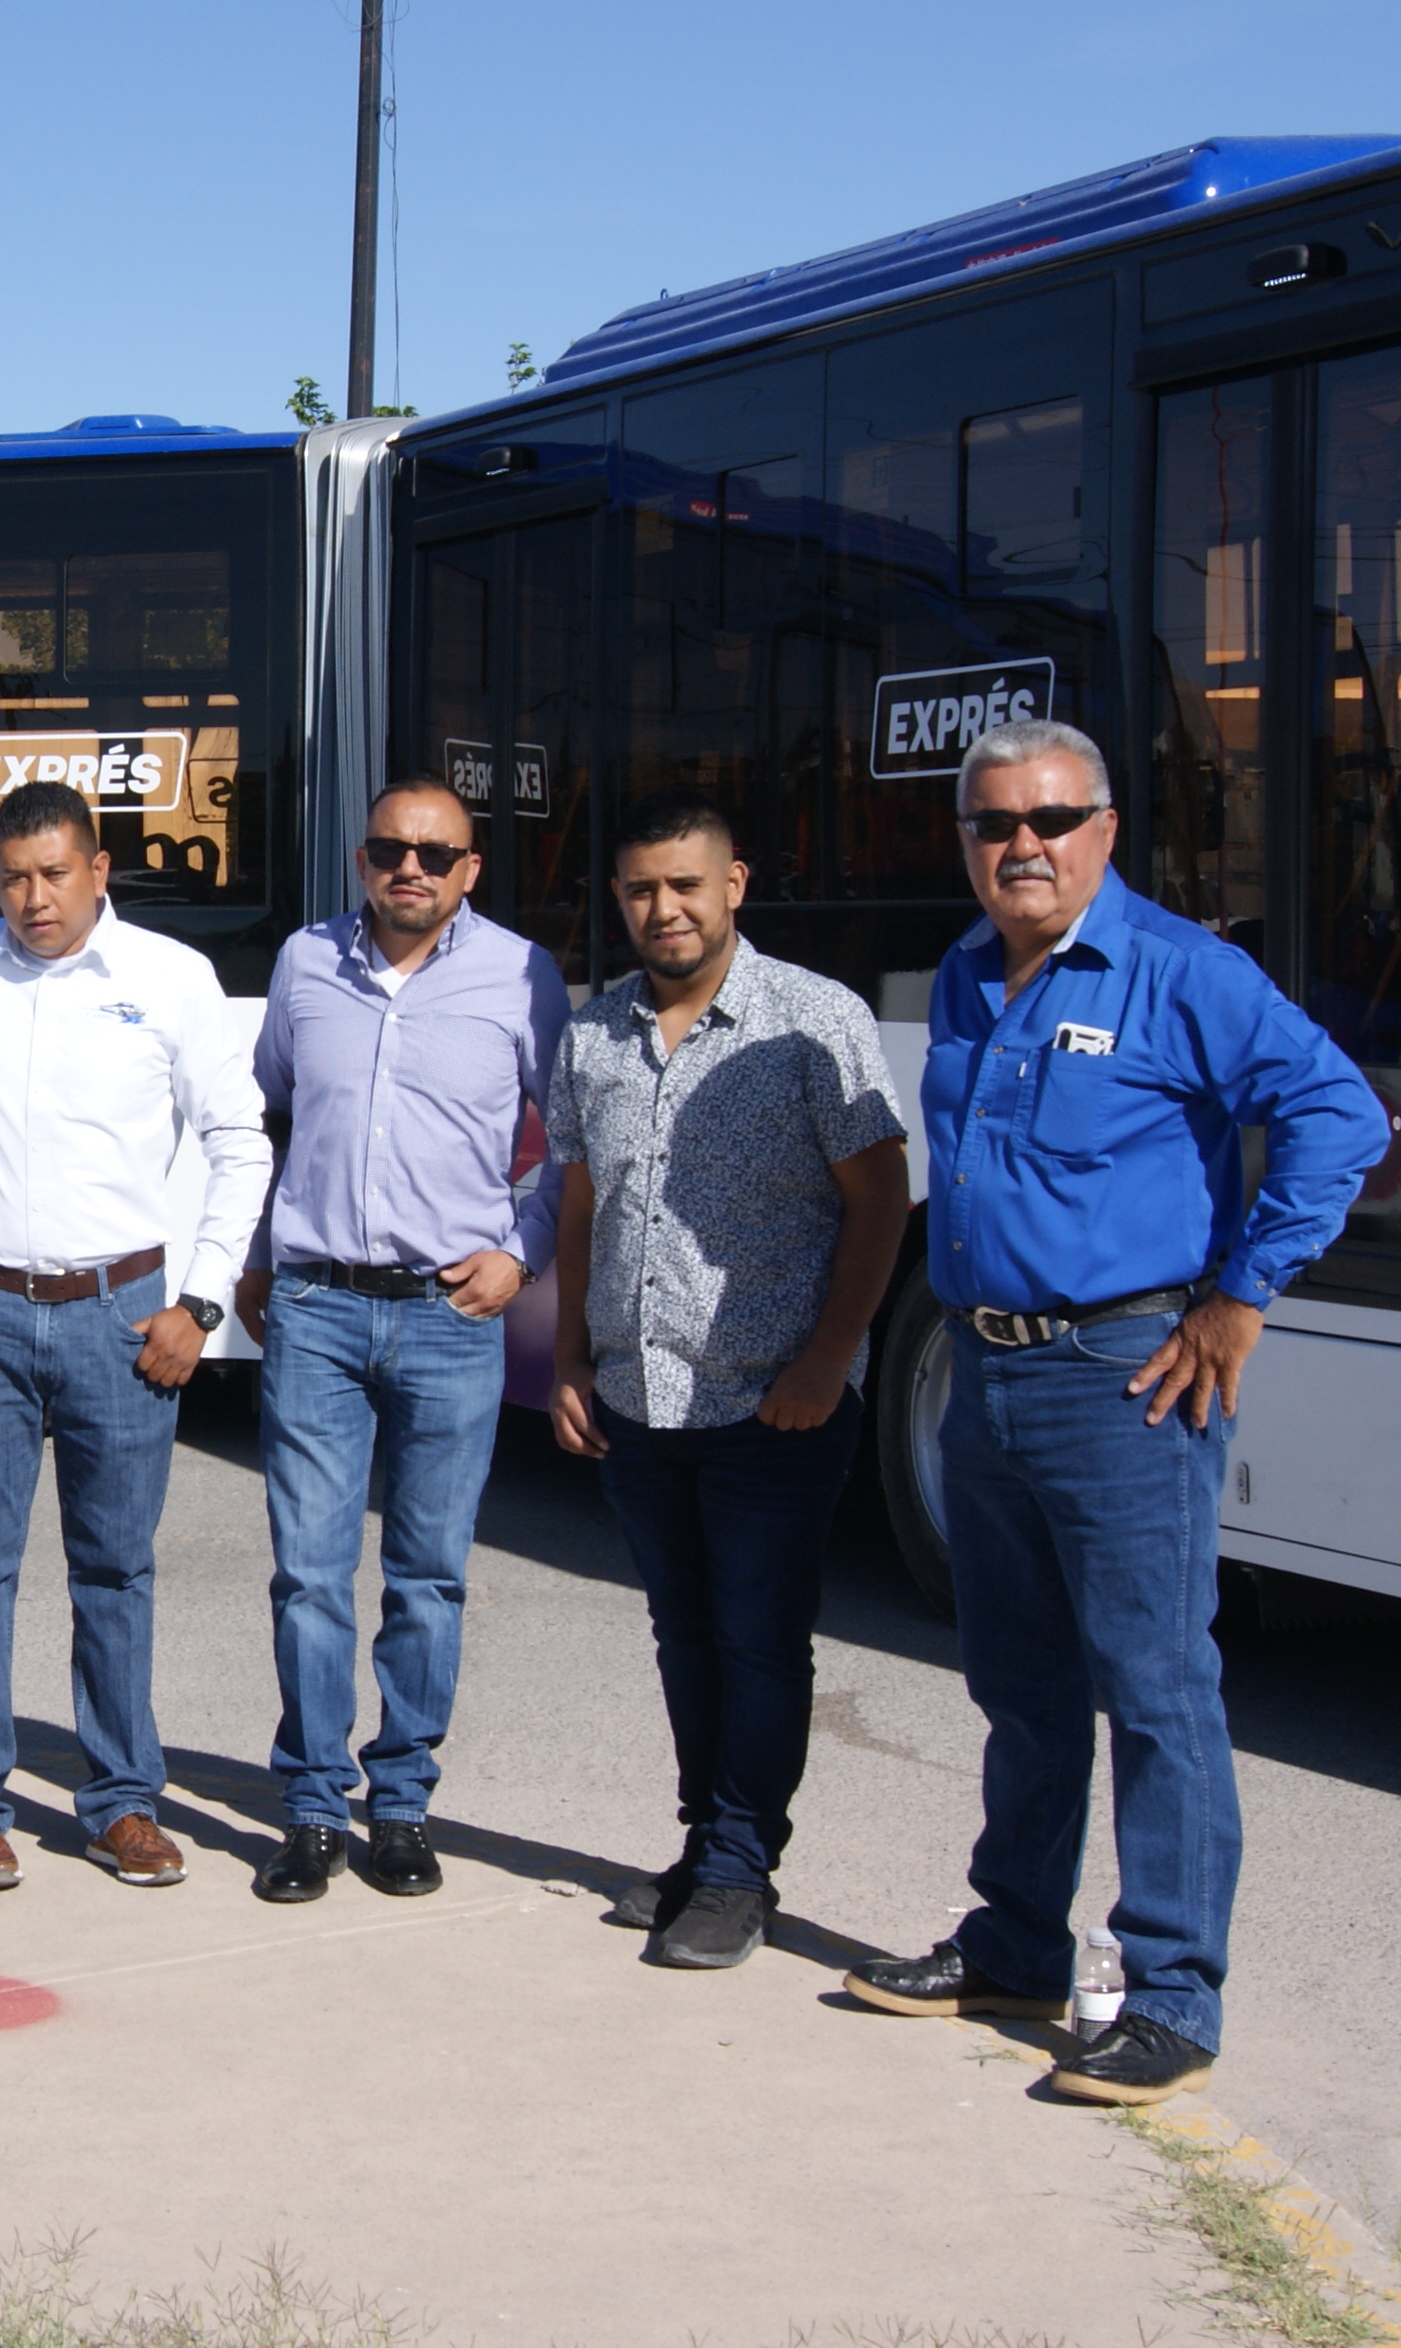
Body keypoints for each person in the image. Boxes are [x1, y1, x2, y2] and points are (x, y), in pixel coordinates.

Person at [841, 720, 1383, 2103]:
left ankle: (1172, 2000)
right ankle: (1016, 1942)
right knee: (1021, 1692)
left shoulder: (1183, 973)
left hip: (1122, 1378)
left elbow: (1340, 1116)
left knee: (1156, 1696)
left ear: (1108, 828)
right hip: (983, 1372)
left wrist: (1241, 1295)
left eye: (1051, 819)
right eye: (993, 825)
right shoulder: (966, 975)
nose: (1022, 845)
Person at [545, 797, 910, 1968]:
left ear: (734, 883)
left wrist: (824, 1361)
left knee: (758, 1639)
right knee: (682, 1634)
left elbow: (877, 1201)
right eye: (642, 889)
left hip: (770, 1400)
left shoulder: (812, 1019)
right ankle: (704, 1841)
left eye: (686, 885)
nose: (666, 909)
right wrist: (565, 1357)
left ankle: (741, 1867)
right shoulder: (594, 1031)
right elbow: (582, 1200)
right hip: (637, 1399)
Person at [0, 780, 271, 1890]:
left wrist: (200, 1301)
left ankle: (120, 1797)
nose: (33, 897)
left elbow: (239, 1142)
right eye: (12, 875)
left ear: (98, 866)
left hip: (126, 1316)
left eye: (54, 872)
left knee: (114, 1567)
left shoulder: (170, 978)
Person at [238, 777, 564, 1903]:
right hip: (317, 1306)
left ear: (469, 869)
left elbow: (562, 1140)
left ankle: (403, 1803)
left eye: (435, 852)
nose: (409, 868)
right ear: (362, 858)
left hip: (446, 1312)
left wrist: (520, 1252)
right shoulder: (302, 964)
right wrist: (252, 1257)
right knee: (309, 1577)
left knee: (427, 1577)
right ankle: (311, 1807)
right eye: (389, 848)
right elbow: (267, 1115)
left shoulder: (522, 975)